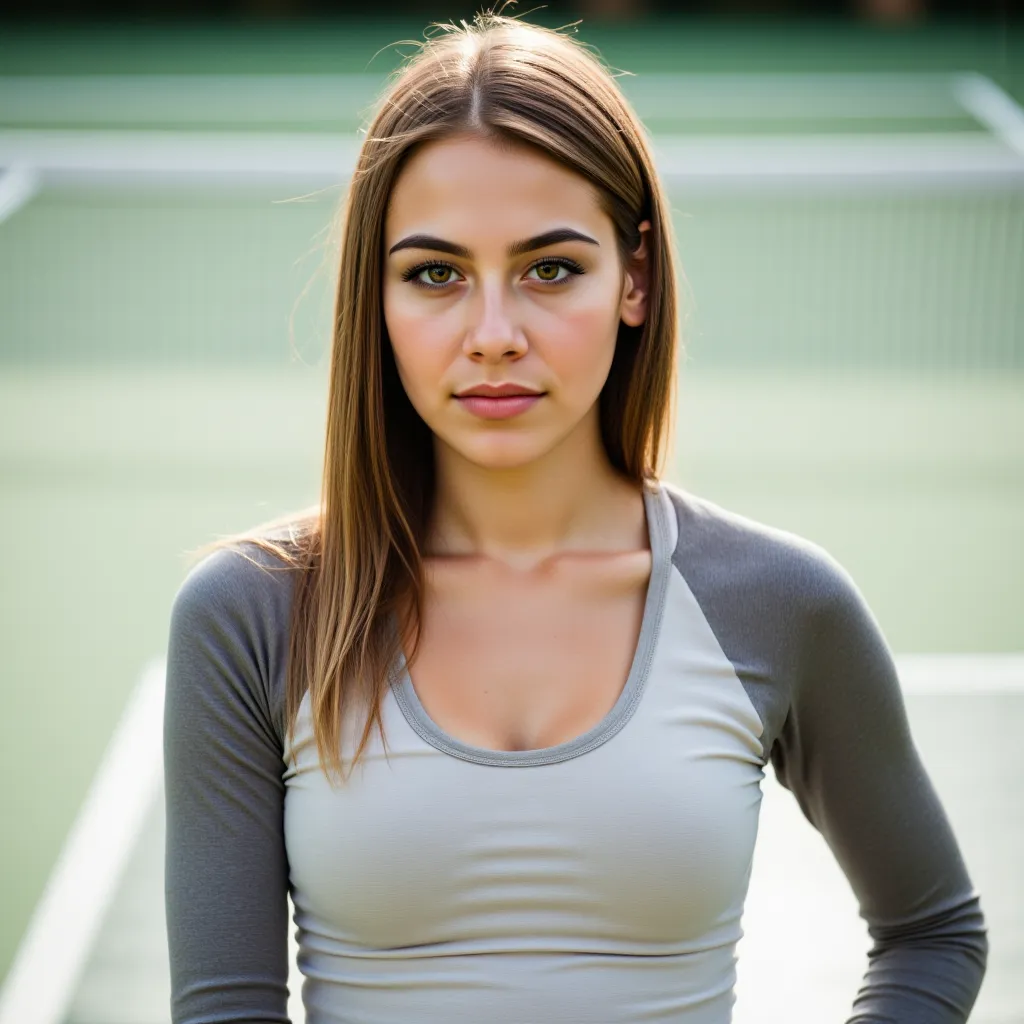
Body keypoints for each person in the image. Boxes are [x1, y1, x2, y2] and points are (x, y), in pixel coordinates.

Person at [163, 12, 987, 1023]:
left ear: (634, 277)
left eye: (550, 268)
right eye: (435, 274)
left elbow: (931, 934)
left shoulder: (779, 602)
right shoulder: (254, 612)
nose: (495, 334)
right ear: (373, 298)